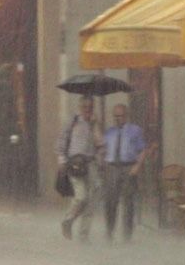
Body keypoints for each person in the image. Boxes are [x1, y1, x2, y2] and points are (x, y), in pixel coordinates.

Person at [57, 96, 103, 241]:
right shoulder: (73, 122)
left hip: (90, 163)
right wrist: (62, 160)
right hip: (75, 163)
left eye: (90, 107)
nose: (87, 110)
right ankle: (68, 220)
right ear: (80, 107)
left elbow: (100, 143)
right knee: (81, 197)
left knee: (92, 198)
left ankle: (84, 234)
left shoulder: (95, 123)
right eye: (85, 107)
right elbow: (61, 141)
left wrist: (95, 125)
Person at [101, 103, 147, 242]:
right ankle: (109, 232)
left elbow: (143, 149)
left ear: (126, 116)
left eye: (120, 116)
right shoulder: (109, 131)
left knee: (128, 203)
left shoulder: (135, 130)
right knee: (110, 201)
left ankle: (127, 236)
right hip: (112, 167)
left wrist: (137, 166)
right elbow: (102, 146)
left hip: (128, 167)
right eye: (115, 117)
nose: (118, 119)